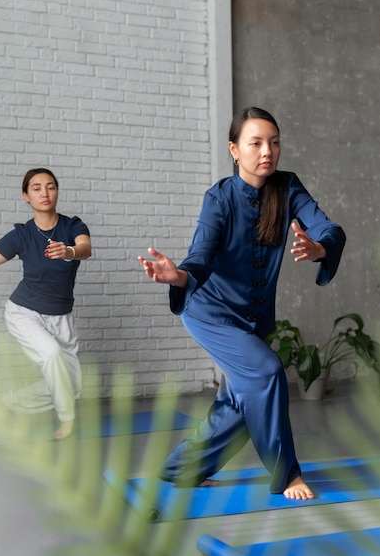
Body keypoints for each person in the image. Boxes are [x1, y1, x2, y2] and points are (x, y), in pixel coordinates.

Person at [139, 107, 346, 500]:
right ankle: (287, 475)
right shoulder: (218, 198)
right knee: (267, 372)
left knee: (240, 400)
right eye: (255, 143)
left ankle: (181, 471)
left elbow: (327, 227)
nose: (267, 151)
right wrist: (178, 276)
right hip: (210, 314)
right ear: (234, 149)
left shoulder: (288, 188)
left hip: (253, 319)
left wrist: (320, 247)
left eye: (274, 142)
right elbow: (200, 256)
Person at [0, 168, 91, 440]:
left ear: (56, 191)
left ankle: (8, 402)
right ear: (26, 196)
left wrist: (68, 251)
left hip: (61, 317)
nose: (44, 193)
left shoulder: (73, 226)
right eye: (36, 188)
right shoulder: (21, 235)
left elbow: (85, 249)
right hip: (24, 312)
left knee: (71, 385)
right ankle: (67, 419)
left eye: (50, 186)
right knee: (52, 355)